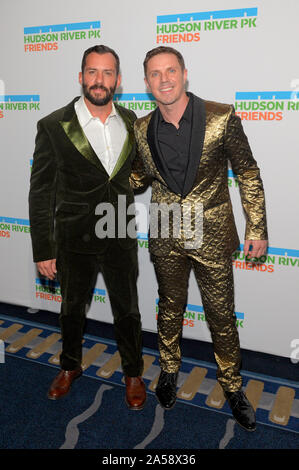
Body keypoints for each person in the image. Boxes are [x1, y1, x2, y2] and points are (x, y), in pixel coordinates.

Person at [131, 46, 268, 430]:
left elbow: (248, 172)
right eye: (155, 74)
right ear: (146, 84)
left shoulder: (221, 117)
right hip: (166, 233)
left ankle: (232, 385)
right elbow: (139, 176)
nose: (164, 80)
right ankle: (170, 370)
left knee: (222, 315)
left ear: (184, 73)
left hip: (212, 234)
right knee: (170, 306)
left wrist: (256, 226)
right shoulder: (141, 128)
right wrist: (104, 178)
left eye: (170, 71)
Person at [29, 45, 146, 410]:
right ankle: (70, 366)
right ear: (81, 77)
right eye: (92, 72)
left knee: (127, 309)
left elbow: (136, 175)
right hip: (73, 236)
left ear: (119, 80)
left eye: (108, 73)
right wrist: (43, 248)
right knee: (72, 308)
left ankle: (133, 372)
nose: (100, 80)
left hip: (119, 232)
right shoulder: (52, 125)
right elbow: (41, 191)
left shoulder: (132, 121)